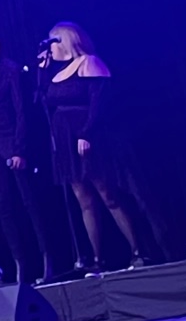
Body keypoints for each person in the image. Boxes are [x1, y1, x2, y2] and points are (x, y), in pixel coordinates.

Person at [37, 23, 151, 273]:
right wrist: (43, 71)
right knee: (84, 200)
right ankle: (98, 259)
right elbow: (43, 99)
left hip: (87, 134)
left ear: (67, 41)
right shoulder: (55, 72)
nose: (51, 47)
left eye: (54, 41)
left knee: (107, 194)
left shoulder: (89, 63)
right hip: (63, 140)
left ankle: (138, 250)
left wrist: (85, 133)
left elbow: (98, 104)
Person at [0, 30, 59, 282]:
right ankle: (20, 264)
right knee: (4, 207)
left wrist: (20, 149)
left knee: (30, 203)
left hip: (13, 144)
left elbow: (22, 112)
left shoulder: (11, 70)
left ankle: (47, 259)